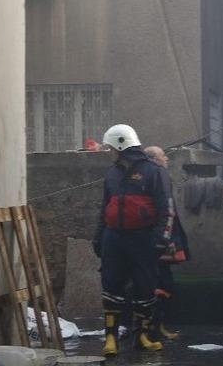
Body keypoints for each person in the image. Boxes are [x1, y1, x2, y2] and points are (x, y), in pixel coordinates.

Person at [92, 125, 174, 355]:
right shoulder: (113, 173)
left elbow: (166, 210)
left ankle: (143, 337)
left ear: (120, 144)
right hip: (114, 238)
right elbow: (104, 207)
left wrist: (160, 240)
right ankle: (111, 339)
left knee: (145, 289)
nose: (109, 151)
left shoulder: (154, 172)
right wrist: (99, 237)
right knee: (111, 287)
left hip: (143, 238)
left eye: (110, 147)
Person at [143, 145, 190, 341]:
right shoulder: (158, 175)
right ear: (154, 159)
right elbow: (165, 211)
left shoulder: (155, 175)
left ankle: (157, 326)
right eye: (163, 156)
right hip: (158, 239)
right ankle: (152, 328)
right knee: (160, 282)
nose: (166, 159)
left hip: (160, 237)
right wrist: (166, 238)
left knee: (163, 282)